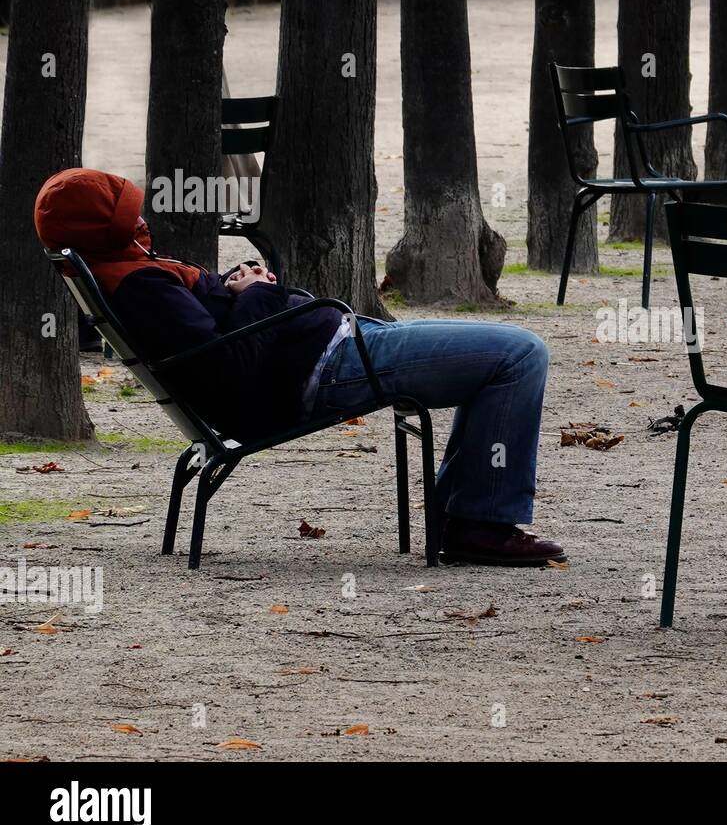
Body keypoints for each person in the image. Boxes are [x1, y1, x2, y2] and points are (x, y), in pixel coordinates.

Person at [34, 167, 565, 567]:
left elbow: (208, 335)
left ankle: (470, 516)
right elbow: (228, 366)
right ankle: (480, 525)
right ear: (104, 230)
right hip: (328, 367)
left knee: (503, 351)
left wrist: (236, 287)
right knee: (519, 353)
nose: (143, 218)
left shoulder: (122, 272)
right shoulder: (141, 287)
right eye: (129, 214)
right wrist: (259, 294)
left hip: (330, 344)